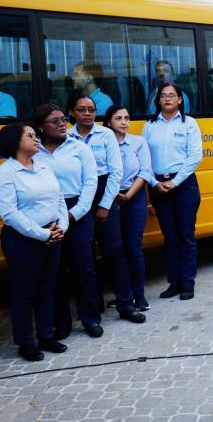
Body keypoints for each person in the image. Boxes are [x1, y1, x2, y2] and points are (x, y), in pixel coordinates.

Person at [0, 123, 69, 362]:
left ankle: (46, 335)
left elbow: (60, 198)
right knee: (24, 292)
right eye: (31, 135)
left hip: (53, 234)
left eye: (36, 135)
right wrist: (43, 234)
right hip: (22, 241)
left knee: (47, 288)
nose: (37, 139)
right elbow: (10, 214)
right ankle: (25, 342)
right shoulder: (4, 173)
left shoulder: (43, 166)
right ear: (15, 141)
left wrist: (61, 226)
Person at [68, 97, 144, 325]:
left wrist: (105, 204)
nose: (87, 114)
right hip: (78, 193)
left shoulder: (106, 135)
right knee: (84, 256)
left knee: (114, 250)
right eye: (81, 109)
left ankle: (126, 304)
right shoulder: (67, 137)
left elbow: (115, 171)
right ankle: (93, 310)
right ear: (73, 113)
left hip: (104, 192)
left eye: (91, 110)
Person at [33, 104, 104, 339]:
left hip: (78, 213)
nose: (63, 123)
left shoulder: (79, 148)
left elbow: (90, 183)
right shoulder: (34, 152)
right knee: (55, 271)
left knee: (83, 267)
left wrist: (74, 214)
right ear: (41, 127)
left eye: (63, 119)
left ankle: (90, 318)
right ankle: (61, 322)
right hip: (48, 216)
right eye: (55, 121)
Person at [142, 83, 203, 301]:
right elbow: (144, 159)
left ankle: (188, 283)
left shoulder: (189, 124)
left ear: (179, 99)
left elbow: (195, 156)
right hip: (158, 186)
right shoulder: (149, 126)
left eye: (172, 95)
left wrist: (175, 182)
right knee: (170, 236)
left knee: (186, 235)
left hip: (184, 185)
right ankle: (174, 282)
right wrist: (154, 182)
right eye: (163, 95)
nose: (167, 99)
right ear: (158, 100)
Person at [105, 105, 154, 311]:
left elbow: (144, 173)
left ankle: (139, 296)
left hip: (133, 197)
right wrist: (113, 196)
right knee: (116, 250)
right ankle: (123, 296)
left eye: (127, 118)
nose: (124, 122)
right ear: (108, 122)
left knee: (134, 248)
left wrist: (127, 196)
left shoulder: (138, 142)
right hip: (109, 198)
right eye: (118, 118)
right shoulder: (103, 143)